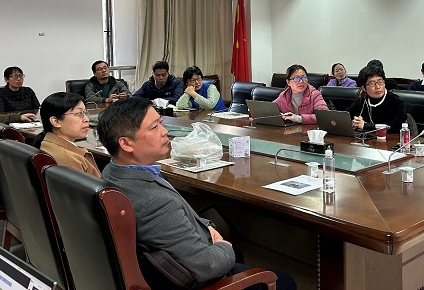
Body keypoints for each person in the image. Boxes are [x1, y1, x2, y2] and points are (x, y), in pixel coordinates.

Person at [98, 97, 296, 289]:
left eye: (161, 123)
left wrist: (207, 226)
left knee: (237, 254)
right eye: (154, 127)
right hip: (198, 277)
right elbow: (208, 266)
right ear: (126, 144)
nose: (165, 131)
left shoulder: (112, 172)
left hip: (174, 264)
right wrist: (223, 246)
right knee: (283, 280)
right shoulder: (154, 202)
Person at [33, 92, 101, 177]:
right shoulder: (69, 160)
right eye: (79, 113)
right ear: (56, 122)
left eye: (85, 113)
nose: (86, 119)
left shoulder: (47, 143)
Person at [347, 66, 406, 133]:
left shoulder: (396, 102)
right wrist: (354, 123)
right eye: (372, 83)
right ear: (363, 88)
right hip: (366, 138)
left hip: (389, 138)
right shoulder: (361, 101)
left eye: (380, 82)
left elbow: (397, 126)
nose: (378, 87)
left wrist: (367, 126)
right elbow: (346, 117)